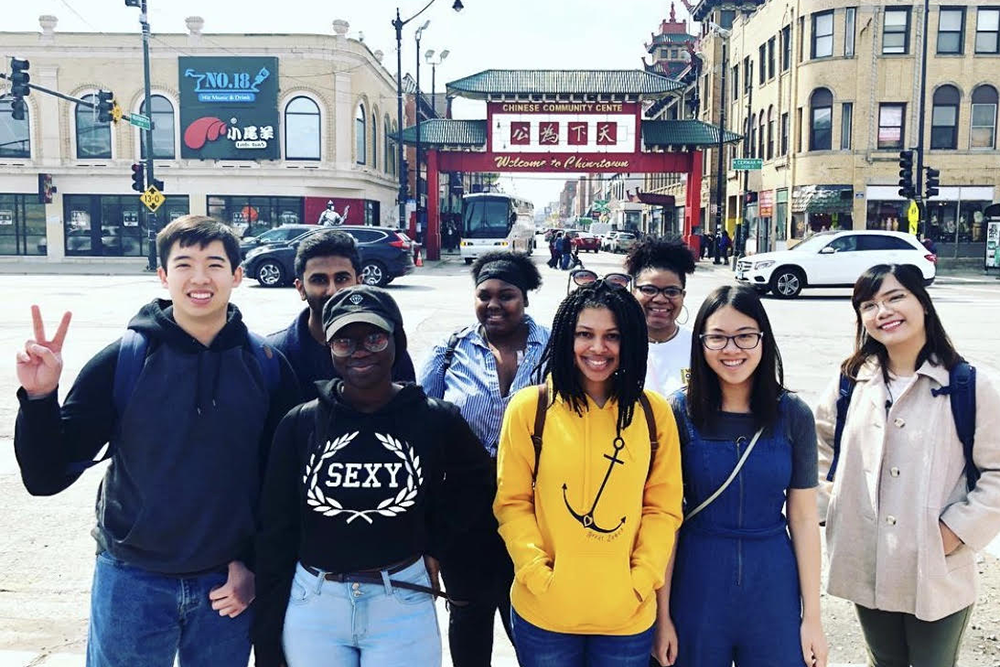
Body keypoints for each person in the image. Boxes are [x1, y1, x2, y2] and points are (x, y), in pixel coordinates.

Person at [13, 215, 300, 667]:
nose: (200, 278)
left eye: (215, 264)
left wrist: (253, 566)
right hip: (131, 581)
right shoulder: (123, 360)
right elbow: (45, 476)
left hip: (225, 586)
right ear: (163, 275)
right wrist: (40, 397)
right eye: (184, 264)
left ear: (238, 275)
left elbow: (280, 485)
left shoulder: (266, 364)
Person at [254, 285, 494, 667]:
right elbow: (275, 530)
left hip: (401, 600)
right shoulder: (300, 424)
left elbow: (479, 486)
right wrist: (267, 637)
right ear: (329, 349)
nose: (360, 350)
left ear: (395, 341)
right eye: (345, 341)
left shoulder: (434, 418)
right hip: (315, 604)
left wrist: (436, 543)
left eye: (374, 337)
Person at [815, 264, 1000, 667]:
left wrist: (954, 533)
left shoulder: (969, 384)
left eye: (895, 297)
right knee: (883, 661)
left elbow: (997, 473)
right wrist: (832, 507)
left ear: (923, 304)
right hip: (866, 558)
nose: (883, 311)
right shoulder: (851, 381)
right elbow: (818, 447)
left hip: (936, 566)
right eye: (869, 304)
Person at [495, 280, 684, 667]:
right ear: (567, 337)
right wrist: (536, 573)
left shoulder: (653, 413)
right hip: (544, 614)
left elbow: (662, 508)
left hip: (625, 618)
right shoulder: (532, 409)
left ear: (630, 340)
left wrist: (640, 579)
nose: (597, 349)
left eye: (612, 336)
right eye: (585, 334)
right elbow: (512, 501)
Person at [653, 284, 827, 667]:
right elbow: (666, 520)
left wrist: (812, 618)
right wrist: (662, 616)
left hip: (772, 583)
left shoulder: (794, 414)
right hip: (696, 581)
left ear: (763, 339)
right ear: (700, 344)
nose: (732, 350)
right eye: (717, 338)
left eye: (745, 336)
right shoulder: (679, 413)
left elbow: (802, 518)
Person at [419, 251, 549, 666]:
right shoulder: (451, 348)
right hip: (463, 515)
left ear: (525, 298)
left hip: (535, 510)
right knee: (468, 620)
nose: (494, 305)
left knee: (533, 623)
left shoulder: (555, 347)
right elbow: (421, 423)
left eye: (506, 295)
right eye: (484, 295)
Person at [268, 229, 415, 402]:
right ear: (300, 288)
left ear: (359, 283)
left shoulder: (385, 349)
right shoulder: (275, 355)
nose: (333, 291)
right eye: (319, 280)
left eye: (342, 278)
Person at [624, 237, 696, 399]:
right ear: (633, 292)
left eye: (671, 291)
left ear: (683, 295)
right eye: (649, 289)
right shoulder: (616, 344)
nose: (660, 299)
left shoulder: (700, 347)